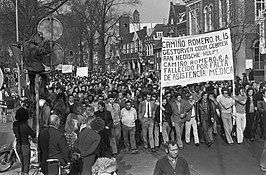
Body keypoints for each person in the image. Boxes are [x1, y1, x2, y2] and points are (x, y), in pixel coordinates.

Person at [13, 108, 36, 175]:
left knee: (22, 164)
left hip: (18, 145)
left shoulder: (15, 124)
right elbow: (33, 135)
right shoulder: (25, 126)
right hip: (25, 145)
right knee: (26, 165)